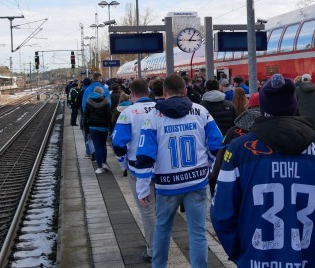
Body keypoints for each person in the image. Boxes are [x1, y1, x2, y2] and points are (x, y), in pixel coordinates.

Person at [211, 74, 315, 267]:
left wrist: (239, 254)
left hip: (255, 259)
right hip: (306, 258)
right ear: (294, 106)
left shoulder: (239, 149)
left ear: (263, 109)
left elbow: (221, 214)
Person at [135, 74, 222, 268]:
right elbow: (217, 147)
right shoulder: (201, 112)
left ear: (164, 92)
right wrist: (207, 165)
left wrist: (142, 189)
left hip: (166, 184)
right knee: (198, 232)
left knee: (162, 229)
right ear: (185, 91)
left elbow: (145, 157)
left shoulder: (152, 117)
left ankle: (159, 265)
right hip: (197, 181)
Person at [111, 79, 157, 262]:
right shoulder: (161, 109)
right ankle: (161, 243)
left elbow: (118, 144)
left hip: (137, 168)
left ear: (133, 94)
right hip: (161, 168)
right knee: (162, 210)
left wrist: (123, 165)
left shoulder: (128, 113)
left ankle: (153, 250)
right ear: (149, 91)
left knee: (147, 211)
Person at [207, 92, 261, 195]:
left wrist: (213, 184)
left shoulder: (233, 133)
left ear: (248, 106)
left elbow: (220, 162)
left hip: (239, 186)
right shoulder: (276, 131)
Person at [84, 86, 112, 174]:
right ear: (101, 93)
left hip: (93, 127)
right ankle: (104, 163)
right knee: (103, 145)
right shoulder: (106, 101)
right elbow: (109, 115)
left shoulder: (89, 101)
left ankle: (100, 167)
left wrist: (86, 129)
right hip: (103, 127)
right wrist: (109, 126)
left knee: (96, 146)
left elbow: (85, 116)